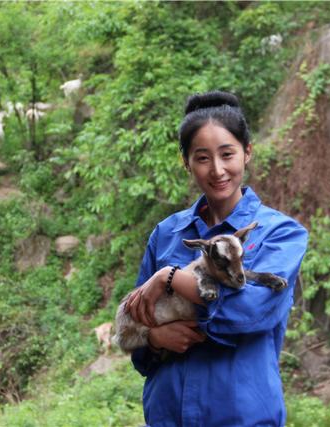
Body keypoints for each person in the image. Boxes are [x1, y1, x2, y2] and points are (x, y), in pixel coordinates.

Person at [124, 91, 308, 426]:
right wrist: (154, 338)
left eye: (227, 154)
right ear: (186, 162)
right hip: (169, 416)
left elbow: (249, 312)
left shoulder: (280, 233)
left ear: (247, 153)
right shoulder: (167, 233)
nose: (218, 170)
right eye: (202, 158)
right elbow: (134, 323)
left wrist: (168, 276)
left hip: (241, 415)